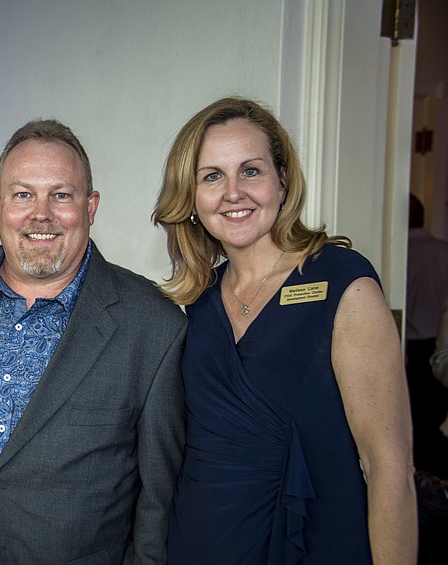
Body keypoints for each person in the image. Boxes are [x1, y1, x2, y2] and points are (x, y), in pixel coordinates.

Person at [152, 97, 417, 564]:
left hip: (317, 544)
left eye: (250, 171)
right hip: (200, 545)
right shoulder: (196, 304)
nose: (233, 192)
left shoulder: (343, 283)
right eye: (211, 176)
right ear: (191, 197)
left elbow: (388, 467)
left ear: (283, 181)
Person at [0, 119, 186, 563]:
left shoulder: (152, 326)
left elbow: (160, 501)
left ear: (91, 206)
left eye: (61, 195)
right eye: (23, 195)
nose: (41, 214)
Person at [407, 193, 448, 478]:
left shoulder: (402, 251)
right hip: (431, 347)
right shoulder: (442, 251)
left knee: (416, 423)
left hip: (414, 347)